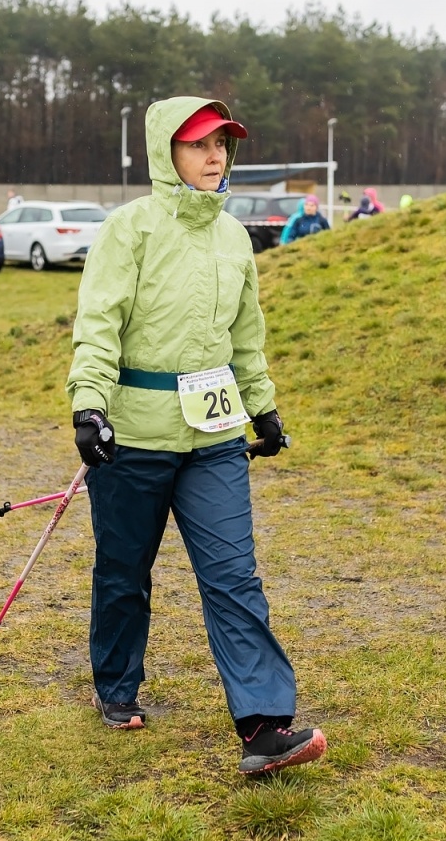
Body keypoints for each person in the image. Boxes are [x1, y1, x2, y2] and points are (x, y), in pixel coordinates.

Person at [67, 96, 327, 776]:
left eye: (223, 145)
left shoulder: (234, 237)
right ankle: (116, 685)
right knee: (124, 574)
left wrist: (263, 407)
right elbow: (99, 323)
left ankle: (265, 725)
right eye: (200, 145)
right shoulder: (130, 230)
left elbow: (245, 335)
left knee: (234, 577)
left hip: (214, 438)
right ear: (166, 153)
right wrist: (89, 405)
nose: (216, 157)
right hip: (134, 438)